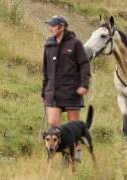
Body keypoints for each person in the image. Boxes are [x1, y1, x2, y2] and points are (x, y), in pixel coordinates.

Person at [41, 15, 90, 163]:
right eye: (50, 25)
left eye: (53, 25)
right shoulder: (48, 45)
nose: (50, 28)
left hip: (72, 91)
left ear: (62, 27)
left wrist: (84, 85)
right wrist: (44, 91)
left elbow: (84, 65)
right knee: (53, 124)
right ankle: (64, 152)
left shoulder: (75, 43)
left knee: (73, 127)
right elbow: (45, 70)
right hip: (53, 92)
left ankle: (76, 154)